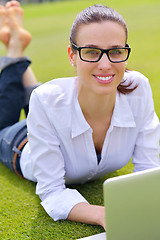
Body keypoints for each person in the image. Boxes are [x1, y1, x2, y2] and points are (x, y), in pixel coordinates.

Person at [0, 2, 159, 230]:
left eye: (115, 51)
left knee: (47, 100)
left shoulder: (138, 88)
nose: (105, 64)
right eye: (92, 52)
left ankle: (18, 48)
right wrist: (105, 214)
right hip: (22, 142)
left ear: (125, 53)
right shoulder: (46, 101)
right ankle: (15, 51)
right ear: (72, 56)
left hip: (51, 111)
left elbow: (148, 172)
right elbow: (52, 192)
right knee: (6, 119)